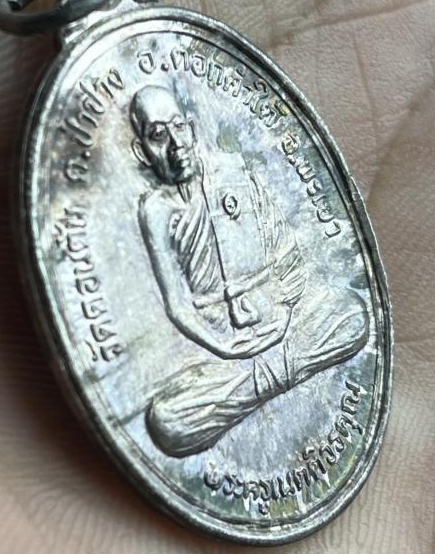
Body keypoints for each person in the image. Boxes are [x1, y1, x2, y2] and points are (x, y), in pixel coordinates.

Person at [130, 85, 368, 456]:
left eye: (178, 128)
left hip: (283, 323)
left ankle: (259, 383)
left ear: (192, 129)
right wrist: (223, 347)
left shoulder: (234, 171)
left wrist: (285, 309)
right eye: (158, 135)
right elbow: (176, 305)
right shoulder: (156, 211)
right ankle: (271, 375)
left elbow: (284, 246)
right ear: (141, 150)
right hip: (224, 353)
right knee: (167, 422)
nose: (176, 145)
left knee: (353, 315)